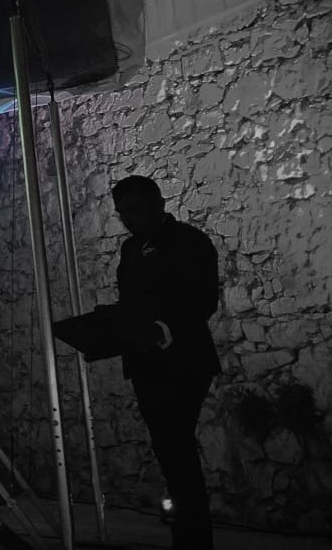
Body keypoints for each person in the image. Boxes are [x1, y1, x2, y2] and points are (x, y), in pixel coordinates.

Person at [110, 174, 220, 550]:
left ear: (158, 202)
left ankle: (193, 540)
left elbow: (202, 300)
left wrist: (161, 328)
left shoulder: (190, 241)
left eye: (134, 209)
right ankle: (188, 536)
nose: (128, 219)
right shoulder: (130, 249)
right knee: (171, 452)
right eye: (122, 213)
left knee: (177, 451)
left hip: (184, 361)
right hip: (145, 364)